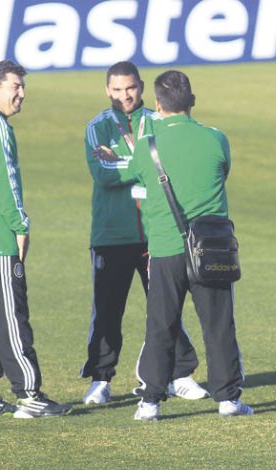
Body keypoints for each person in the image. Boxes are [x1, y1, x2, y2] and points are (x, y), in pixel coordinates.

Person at [122, 70, 252, 421]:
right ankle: (227, 398)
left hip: (165, 248)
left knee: (161, 324)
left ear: (158, 103)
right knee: (219, 323)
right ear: (191, 100)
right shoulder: (216, 138)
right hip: (210, 246)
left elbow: (134, 176)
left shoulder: (147, 140)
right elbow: (222, 172)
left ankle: (150, 401)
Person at [80, 61, 208, 405]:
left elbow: (167, 165)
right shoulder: (98, 127)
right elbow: (103, 173)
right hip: (111, 233)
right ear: (107, 90)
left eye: (131, 88)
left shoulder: (159, 120)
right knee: (108, 310)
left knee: (167, 306)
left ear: (141, 87)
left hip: (157, 231)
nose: (125, 95)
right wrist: (144, 164)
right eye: (118, 90)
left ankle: (180, 374)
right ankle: (101, 379)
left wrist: (125, 161)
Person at [0, 60, 72, 418]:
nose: (21, 94)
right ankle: (29, 394)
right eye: (15, 86)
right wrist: (20, 226)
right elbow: (4, 181)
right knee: (10, 316)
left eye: (23, 87)